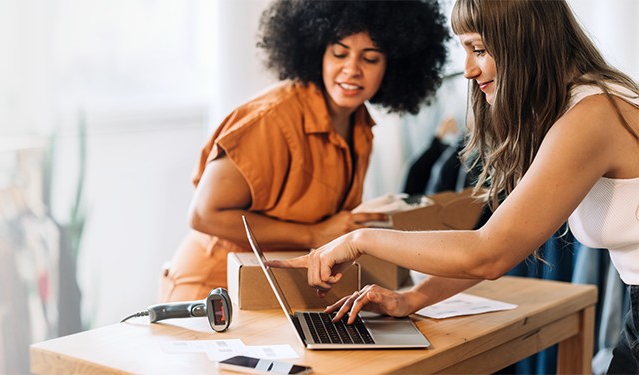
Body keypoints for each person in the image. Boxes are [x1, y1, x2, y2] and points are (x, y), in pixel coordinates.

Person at [266, 0, 639, 372]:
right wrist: (411, 299)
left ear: (525, 41)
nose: (467, 70)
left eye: (478, 49)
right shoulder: (582, 106)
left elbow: (490, 253)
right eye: (464, 50)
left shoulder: (592, 117)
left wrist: (359, 240)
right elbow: (496, 243)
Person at [157, 0, 450, 302]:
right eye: (339, 53)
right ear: (317, 52)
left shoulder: (360, 125)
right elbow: (204, 215)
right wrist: (315, 234)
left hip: (275, 292)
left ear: (393, 66)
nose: (352, 70)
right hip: (212, 291)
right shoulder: (270, 119)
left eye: (371, 58)